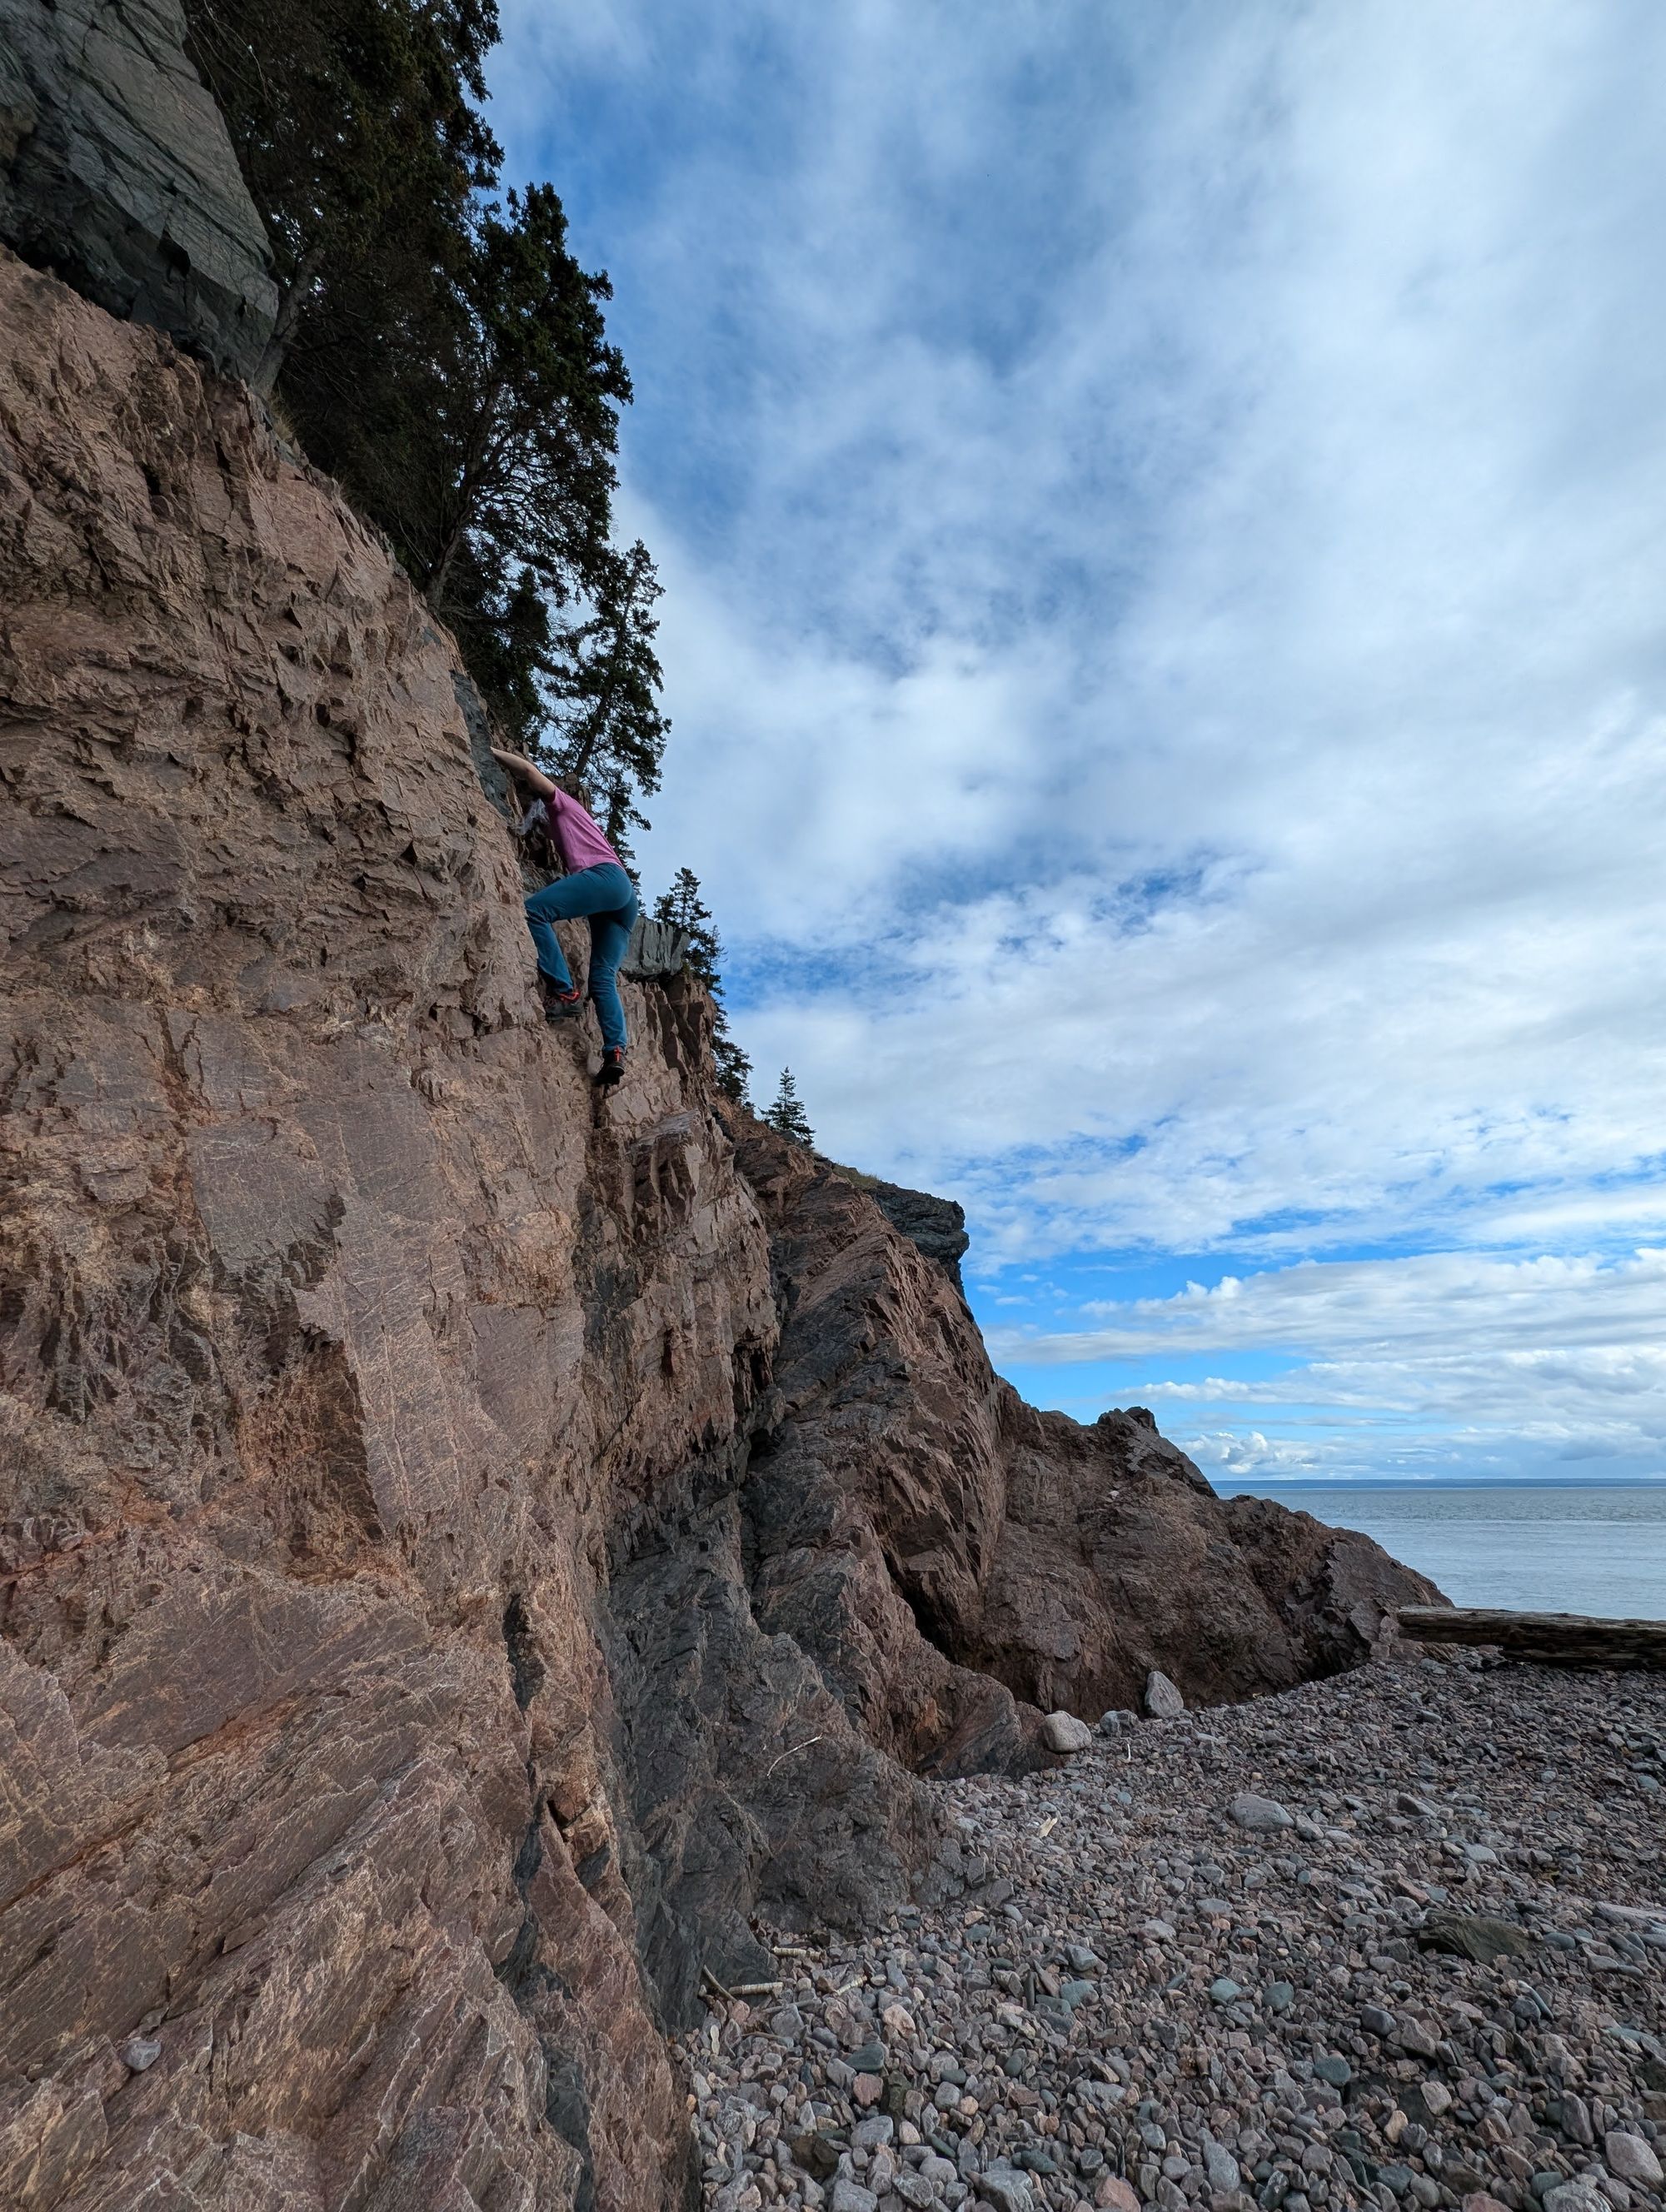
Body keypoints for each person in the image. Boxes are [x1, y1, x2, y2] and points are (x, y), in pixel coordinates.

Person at [489, 746, 638, 1086]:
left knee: (532, 912)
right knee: (602, 979)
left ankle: (565, 991)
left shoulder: (562, 804)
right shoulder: (562, 824)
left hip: (607, 879)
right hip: (623, 899)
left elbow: (528, 771)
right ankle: (615, 1052)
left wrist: (488, 749)